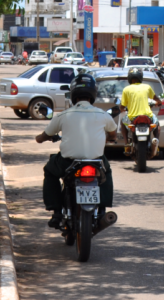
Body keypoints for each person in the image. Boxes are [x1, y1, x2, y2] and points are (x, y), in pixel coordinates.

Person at [35, 74, 117, 229]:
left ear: (73, 94)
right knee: (107, 173)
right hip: (96, 161)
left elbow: (45, 135)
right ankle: (102, 209)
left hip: (68, 163)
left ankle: (57, 211)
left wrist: (39, 138)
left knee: (50, 171)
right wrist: (107, 138)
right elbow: (112, 134)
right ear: (93, 94)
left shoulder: (64, 115)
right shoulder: (103, 114)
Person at [119, 67, 162, 156]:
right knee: (157, 124)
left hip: (132, 118)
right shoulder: (147, 87)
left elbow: (122, 106)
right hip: (147, 116)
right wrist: (158, 103)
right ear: (140, 77)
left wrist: (122, 109)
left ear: (129, 78)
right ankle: (156, 141)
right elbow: (156, 99)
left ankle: (127, 144)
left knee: (122, 122)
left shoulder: (126, 89)